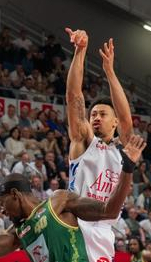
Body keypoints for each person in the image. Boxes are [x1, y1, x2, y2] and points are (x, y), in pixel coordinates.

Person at [0, 134, 145, 261]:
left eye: (2, 203)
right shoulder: (19, 232)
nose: (2, 211)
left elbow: (109, 211)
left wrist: (128, 168)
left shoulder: (59, 200)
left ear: (15, 194)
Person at [65, 30, 133, 262]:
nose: (95, 117)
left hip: (104, 230)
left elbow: (126, 121)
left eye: (102, 114)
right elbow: (74, 96)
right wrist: (80, 51)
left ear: (114, 122)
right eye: (93, 114)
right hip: (76, 223)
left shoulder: (124, 150)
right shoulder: (83, 140)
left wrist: (110, 72)